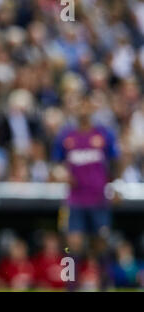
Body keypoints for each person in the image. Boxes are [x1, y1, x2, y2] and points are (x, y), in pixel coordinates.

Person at [52, 94, 120, 289]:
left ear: (93, 108)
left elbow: (115, 163)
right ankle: (71, 286)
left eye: (87, 104)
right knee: (73, 244)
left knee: (101, 245)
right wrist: (61, 174)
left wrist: (116, 187)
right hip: (75, 200)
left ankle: (106, 284)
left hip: (99, 198)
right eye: (80, 104)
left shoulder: (104, 134)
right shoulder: (66, 136)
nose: (84, 108)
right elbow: (56, 164)